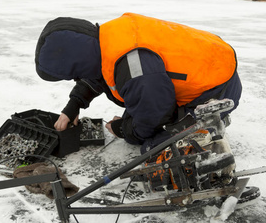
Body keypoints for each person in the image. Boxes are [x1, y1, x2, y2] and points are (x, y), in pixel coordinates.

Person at [35, 13, 242, 154]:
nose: (76, 79)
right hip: (210, 64)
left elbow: (154, 114)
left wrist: (124, 130)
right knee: (137, 112)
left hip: (216, 87)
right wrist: (74, 104)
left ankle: (206, 127)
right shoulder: (108, 36)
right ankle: (202, 119)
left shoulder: (134, 66)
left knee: (153, 146)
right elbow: (99, 72)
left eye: (74, 75)